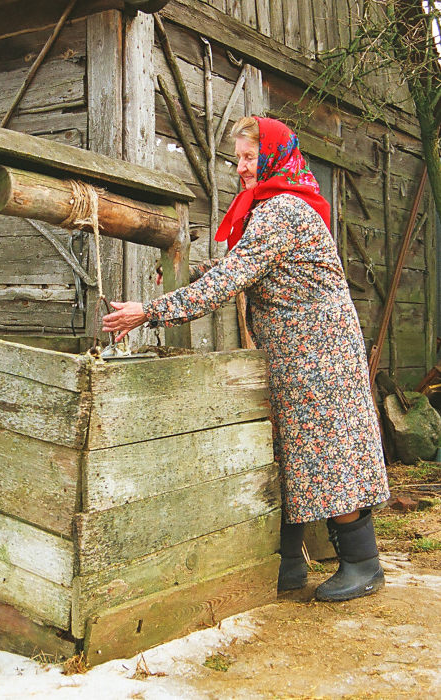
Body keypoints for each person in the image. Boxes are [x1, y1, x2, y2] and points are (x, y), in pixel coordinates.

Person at [102, 116, 390, 602]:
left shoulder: (282, 211)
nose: (240, 168)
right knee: (292, 453)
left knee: (328, 453)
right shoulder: (276, 208)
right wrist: (190, 272)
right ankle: (289, 565)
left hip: (317, 352)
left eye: (249, 157)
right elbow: (243, 267)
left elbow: (231, 279)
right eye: (237, 158)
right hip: (300, 349)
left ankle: (363, 565)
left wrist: (149, 312)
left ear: (274, 156)